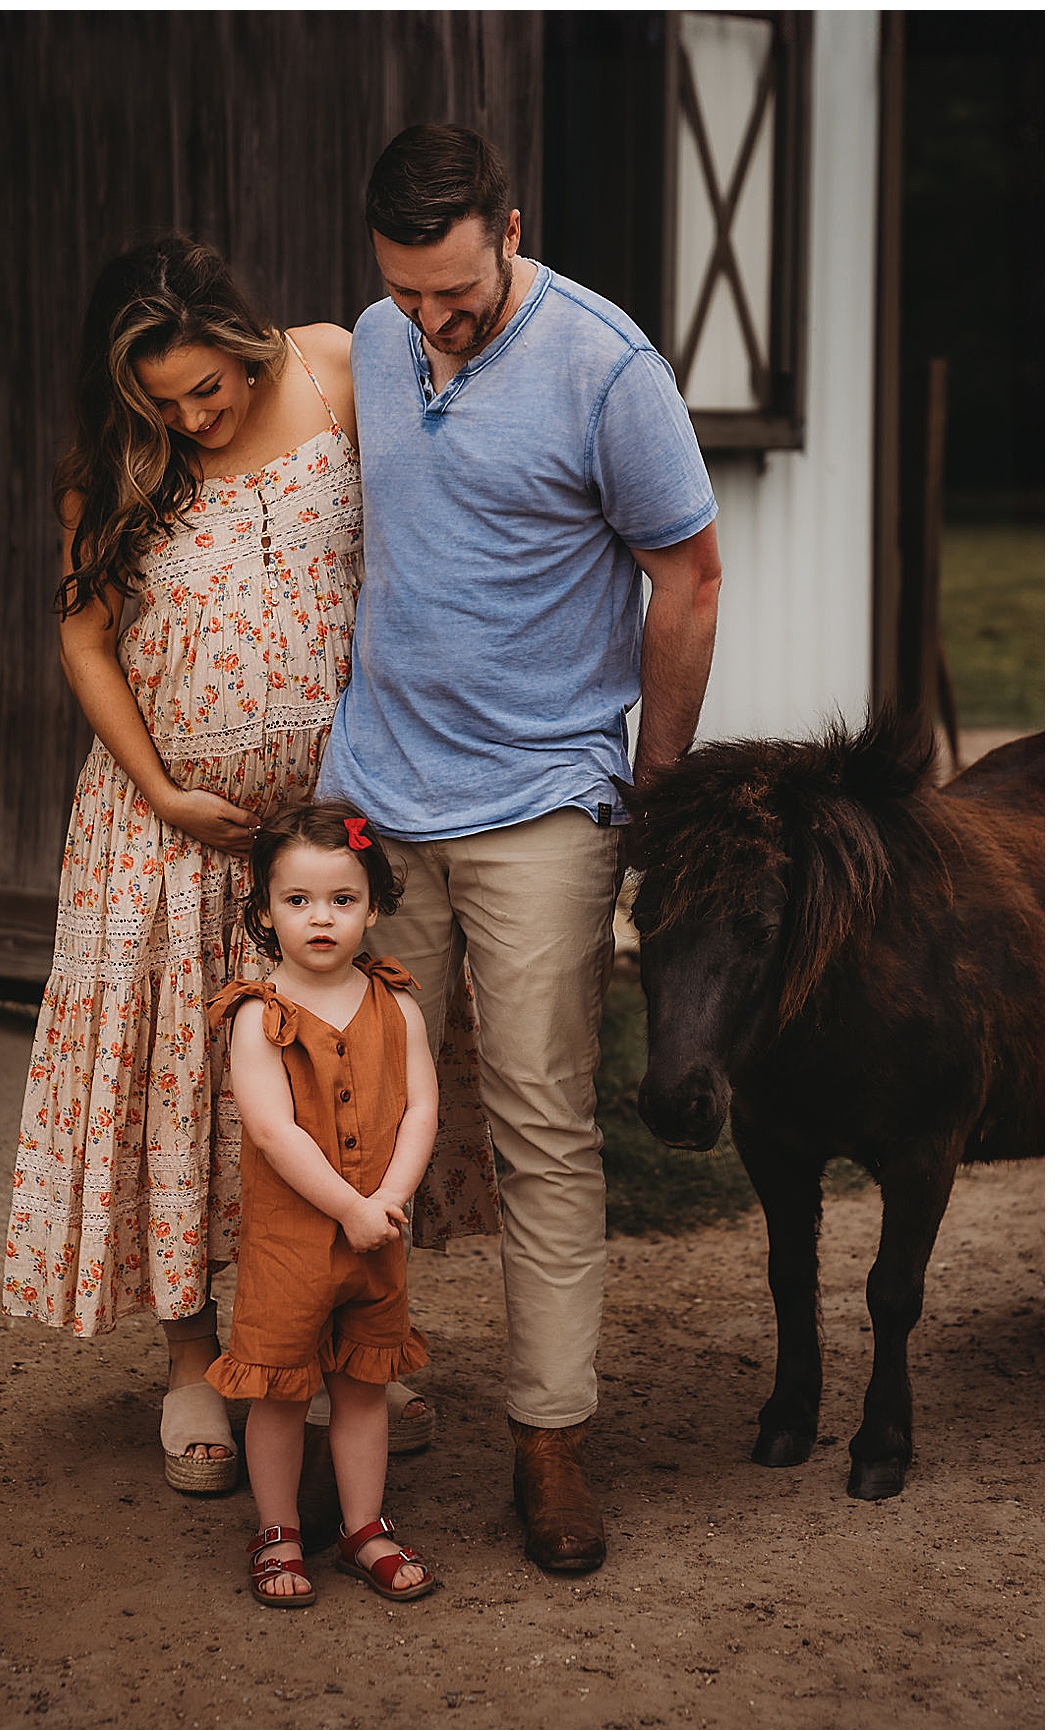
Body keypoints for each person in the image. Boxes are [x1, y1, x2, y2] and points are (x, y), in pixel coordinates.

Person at [318, 125, 723, 1573]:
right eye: (405, 292)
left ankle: (549, 1436)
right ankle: (369, 1391)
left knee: (545, 1123)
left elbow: (689, 574)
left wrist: (654, 782)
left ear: (511, 225)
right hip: (377, 794)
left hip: (547, 801)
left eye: (457, 291)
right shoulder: (370, 338)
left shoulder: (608, 368)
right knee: (355, 1121)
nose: (430, 321)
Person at [2, 233, 451, 1497]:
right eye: (166, 401)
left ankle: (343, 1334)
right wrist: (158, 786)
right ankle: (195, 1358)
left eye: (211, 387)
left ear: (250, 342)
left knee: (336, 1085)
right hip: (161, 840)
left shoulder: (334, 368)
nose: (195, 417)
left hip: (317, 846)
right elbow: (83, 636)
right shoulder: (115, 465)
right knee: (182, 1095)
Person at [205, 799, 437, 1606]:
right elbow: (274, 1134)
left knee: (364, 1387)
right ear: (266, 911)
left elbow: (420, 1110)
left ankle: (363, 1525)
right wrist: (348, 1206)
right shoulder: (256, 1015)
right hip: (291, 1245)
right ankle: (278, 1530)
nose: (322, 919)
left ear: (373, 906)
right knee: (278, 1391)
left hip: (378, 1233)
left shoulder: (397, 1006)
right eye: (297, 901)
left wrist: (393, 1197)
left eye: (343, 899)